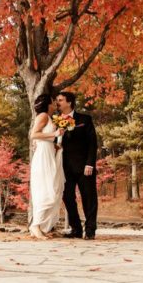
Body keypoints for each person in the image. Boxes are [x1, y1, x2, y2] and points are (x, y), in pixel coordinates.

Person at [55, 91, 98, 240]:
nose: (57, 103)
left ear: (69, 102)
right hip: (64, 168)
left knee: (89, 198)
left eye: (60, 100)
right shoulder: (54, 121)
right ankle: (76, 229)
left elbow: (93, 143)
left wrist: (90, 164)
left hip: (84, 167)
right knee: (67, 197)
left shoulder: (85, 119)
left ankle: (91, 230)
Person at [29, 93, 65, 239]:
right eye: (53, 102)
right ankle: (35, 225)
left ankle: (40, 226)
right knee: (46, 190)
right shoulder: (43, 116)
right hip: (43, 156)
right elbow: (34, 135)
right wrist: (55, 133)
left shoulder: (50, 118)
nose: (55, 104)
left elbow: (44, 137)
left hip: (49, 153)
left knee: (53, 189)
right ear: (48, 104)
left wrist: (55, 145)